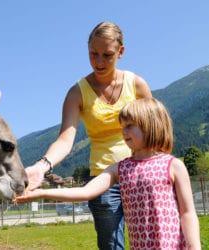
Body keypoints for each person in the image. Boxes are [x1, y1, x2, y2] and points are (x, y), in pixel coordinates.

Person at [25, 21, 152, 249]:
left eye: (107, 55)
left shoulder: (137, 85)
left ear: (121, 52)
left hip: (139, 173)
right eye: (93, 53)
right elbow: (65, 139)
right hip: (102, 180)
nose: (99, 62)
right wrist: (42, 166)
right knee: (111, 245)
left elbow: (154, 131)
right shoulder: (77, 93)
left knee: (151, 240)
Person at [15, 98, 201, 250]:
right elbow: (85, 192)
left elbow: (187, 212)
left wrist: (194, 246)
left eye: (130, 125)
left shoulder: (174, 165)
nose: (124, 131)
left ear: (151, 125)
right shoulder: (119, 169)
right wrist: (42, 193)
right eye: (123, 126)